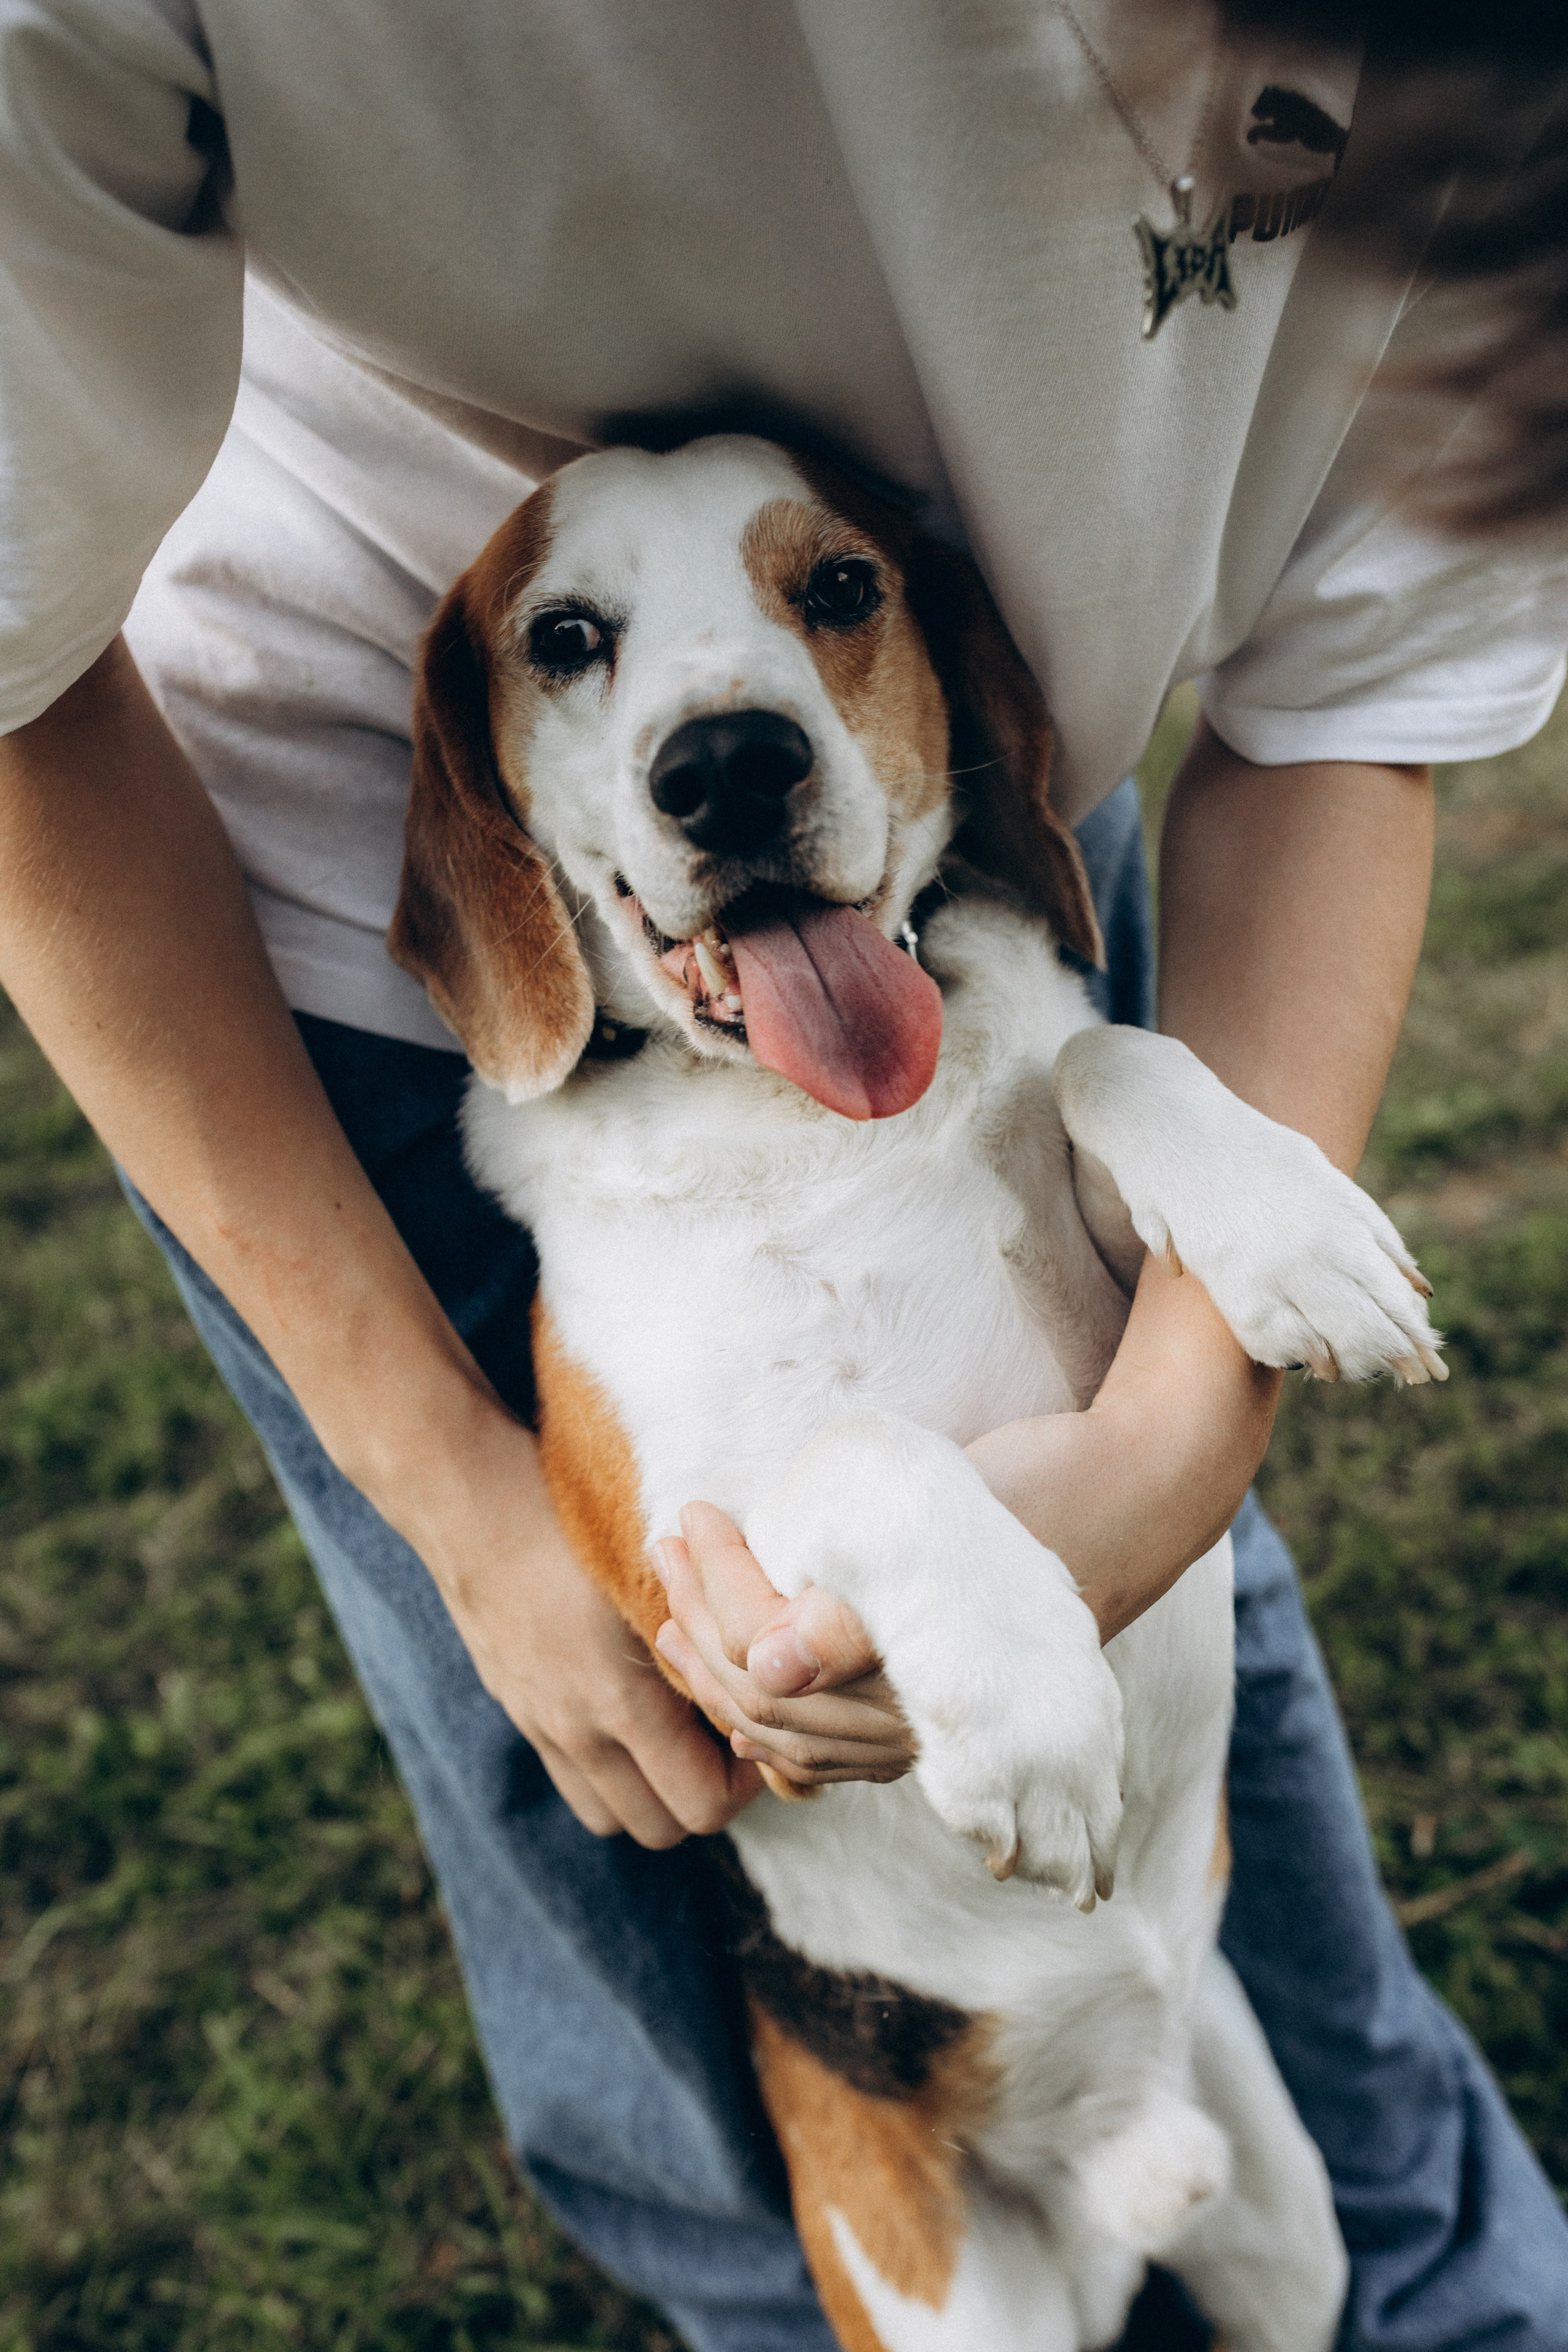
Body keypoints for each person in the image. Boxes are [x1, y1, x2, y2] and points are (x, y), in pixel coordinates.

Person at [1, 4, 1566, 2346]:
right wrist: (454, 1485)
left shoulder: (1486, 77)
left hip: (967, 866)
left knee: (1235, 1795)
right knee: (606, 1788)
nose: (726, 732)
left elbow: (1352, 694)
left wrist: (1177, 1416)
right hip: (325, 872)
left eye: (825, 602)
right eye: (589, 653)